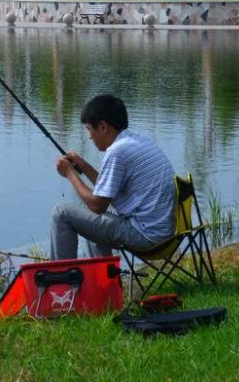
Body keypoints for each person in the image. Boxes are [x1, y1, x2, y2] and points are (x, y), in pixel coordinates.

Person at [50, 94, 175, 261]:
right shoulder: (134, 142)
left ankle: (61, 280)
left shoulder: (117, 152)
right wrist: (84, 166)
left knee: (61, 214)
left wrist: (70, 173)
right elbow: (107, 191)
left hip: (147, 236)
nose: (90, 137)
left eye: (89, 130)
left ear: (102, 127)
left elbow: (97, 206)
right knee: (88, 216)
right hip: (165, 233)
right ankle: (102, 281)